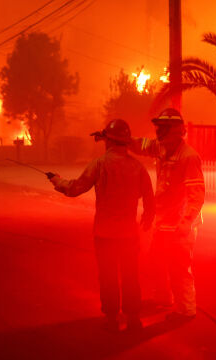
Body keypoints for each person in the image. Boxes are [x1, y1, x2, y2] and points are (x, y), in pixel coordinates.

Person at [49, 119, 155, 332]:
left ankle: (111, 318)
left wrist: (57, 180)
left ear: (108, 141)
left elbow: (75, 188)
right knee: (130, 276)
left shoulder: (100, 164)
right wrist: (148, 216)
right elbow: (149, 198)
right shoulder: (137, 167)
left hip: (105, 234)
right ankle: (133, 318)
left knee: (108, 276)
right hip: (129, 234)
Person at [129, 108, 205, 322]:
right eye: (158, 127)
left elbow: (196, 194)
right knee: (158, 262)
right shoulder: (162, 148)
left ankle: (186, 311)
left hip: (181, 224)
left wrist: (187, 221)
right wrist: (117, 137)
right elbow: (141, 145)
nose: (158, 132)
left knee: (180, 268)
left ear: (175, 130)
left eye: (162, 128)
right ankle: (163, 299)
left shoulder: (189, 157)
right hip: (163, 221)